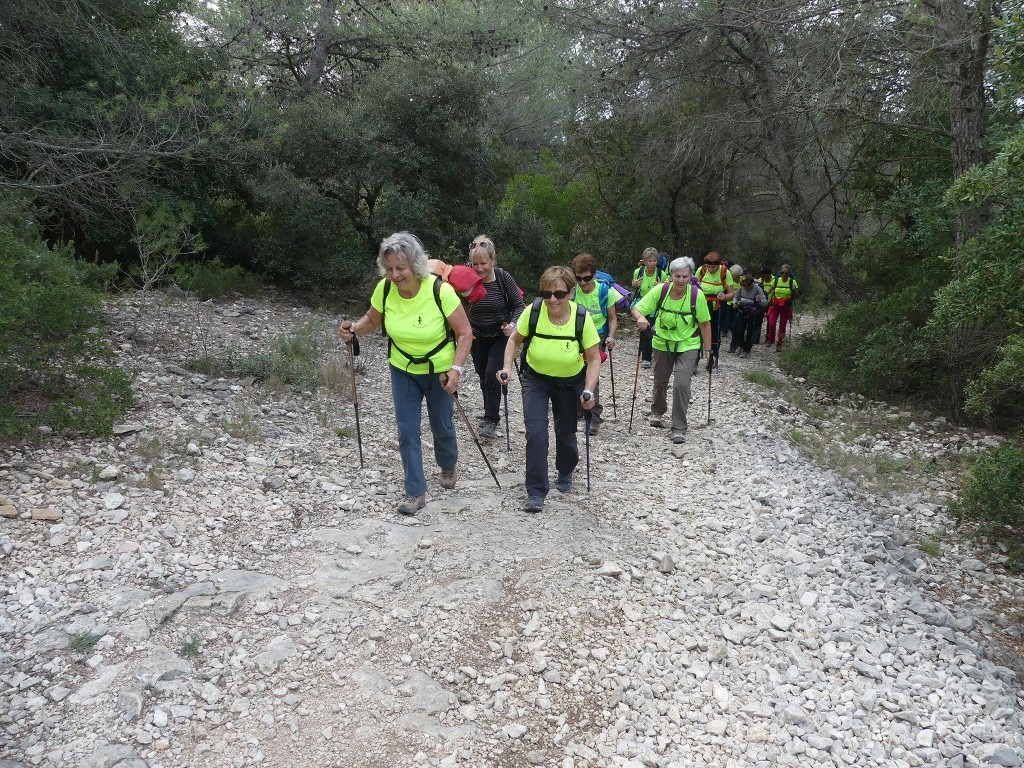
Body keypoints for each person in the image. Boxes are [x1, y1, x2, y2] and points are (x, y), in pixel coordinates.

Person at [339, 232, 473, 516]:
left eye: (400, 268)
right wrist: (354, 329)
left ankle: (448, 464)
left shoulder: (440, 291)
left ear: (415, 264)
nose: (395, 274)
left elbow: (464, 334)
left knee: (442, 426)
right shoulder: (384, 290)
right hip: (403, 368)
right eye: (389, 268)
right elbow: (373, 319)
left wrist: (456, 370)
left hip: (439, 371)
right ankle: (415, 491)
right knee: (407, 431)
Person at [498, 266, 601, 513]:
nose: (552, 300)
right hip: (536, 380)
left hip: (569, 382)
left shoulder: (581, 317)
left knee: (566, 433)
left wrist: (589, 390)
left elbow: (594, 358)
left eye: (559, 294)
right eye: (546, 294)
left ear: (571, 292)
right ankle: (535, 490)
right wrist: (507, 369)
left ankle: (565, 469)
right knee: (536, 433)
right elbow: (514, 339)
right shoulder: (533, 312)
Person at [629, 257, 713, 444]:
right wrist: (640, 318)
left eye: (685, 276)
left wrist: (708, 350)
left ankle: (679, 427)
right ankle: (657, 410)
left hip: (688, 345)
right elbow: (636, 308)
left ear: (691, 276)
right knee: (660, 380)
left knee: (681, 384)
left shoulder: (696, 295)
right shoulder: (661, 290)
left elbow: (705, 324)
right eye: (677, 276)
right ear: (671, 275)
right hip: (662, 342)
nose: (681, 280)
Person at [467, 235, 525, 439]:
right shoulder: (466, 279)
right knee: (483, 376)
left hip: (499, 335)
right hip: (476, 336)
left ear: (492, 260)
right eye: (475, 264)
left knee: (493, 373)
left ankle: (491, 419)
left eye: (483, 263)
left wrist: (513, 324)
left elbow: (519, 305)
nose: (479, 268)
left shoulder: (502, 277)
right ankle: (488, 412)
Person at [570, 252, 625, 434]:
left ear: (594, 275)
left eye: (586, 278)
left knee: (591, 378)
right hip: (576, 336)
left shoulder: (604, 291)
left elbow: (612, 318)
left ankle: (593, 418)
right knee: (574, 373)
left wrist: (611, 336)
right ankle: (578, 409)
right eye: (579, 278)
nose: (583, 283)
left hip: (597, 337)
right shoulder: (573, 291)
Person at [695, 251, 736, 363]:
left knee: (714, 332)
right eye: (708, 266)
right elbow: (693, 286)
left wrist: (725, 296)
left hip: (717, 305)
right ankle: (694, 360)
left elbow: (732, 293)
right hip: (701, 303)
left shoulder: (724, 272)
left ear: (718, 265)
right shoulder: (701, 270)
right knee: (697, 330)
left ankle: (713, 358)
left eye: (713, 267)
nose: (710, 269)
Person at [631, 247, 667, 369]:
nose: (652, 263)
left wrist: (660, 286)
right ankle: (644, 352)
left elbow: (666, 289)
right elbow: (634, 284)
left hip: (654, 305)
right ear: (645, 261)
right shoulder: (638, 272)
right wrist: (635, 284)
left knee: (649, 329)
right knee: (643, 328)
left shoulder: (661, 274)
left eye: (654, 260)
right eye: (650, 261)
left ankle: (646, 357)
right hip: (641, 304)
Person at [730, 274, 768, 357]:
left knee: (750, 332)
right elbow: (736, 297)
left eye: (747, 286)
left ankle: (747, 350)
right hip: (742, 310)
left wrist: (759, 300)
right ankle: (740, 345)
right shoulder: (741, 288)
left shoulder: (758, 289)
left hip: (753, 313)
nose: (746, 288)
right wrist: (734, 303)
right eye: (744, 286)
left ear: (751, 284)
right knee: (739, 330)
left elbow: (765, 302)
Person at [765, 263, 800, 349]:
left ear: (789, 273)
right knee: (771, 324)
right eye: (782, 272)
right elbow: (768, 292)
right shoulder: (776, 280)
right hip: (775, 305)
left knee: (782, 325)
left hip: (785, 307)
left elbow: (797, 296)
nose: (784, 274)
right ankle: (771, 339)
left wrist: (794, 289)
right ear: (780, 272)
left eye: (786, 273)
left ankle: (779, 342)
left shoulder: (792, 282)